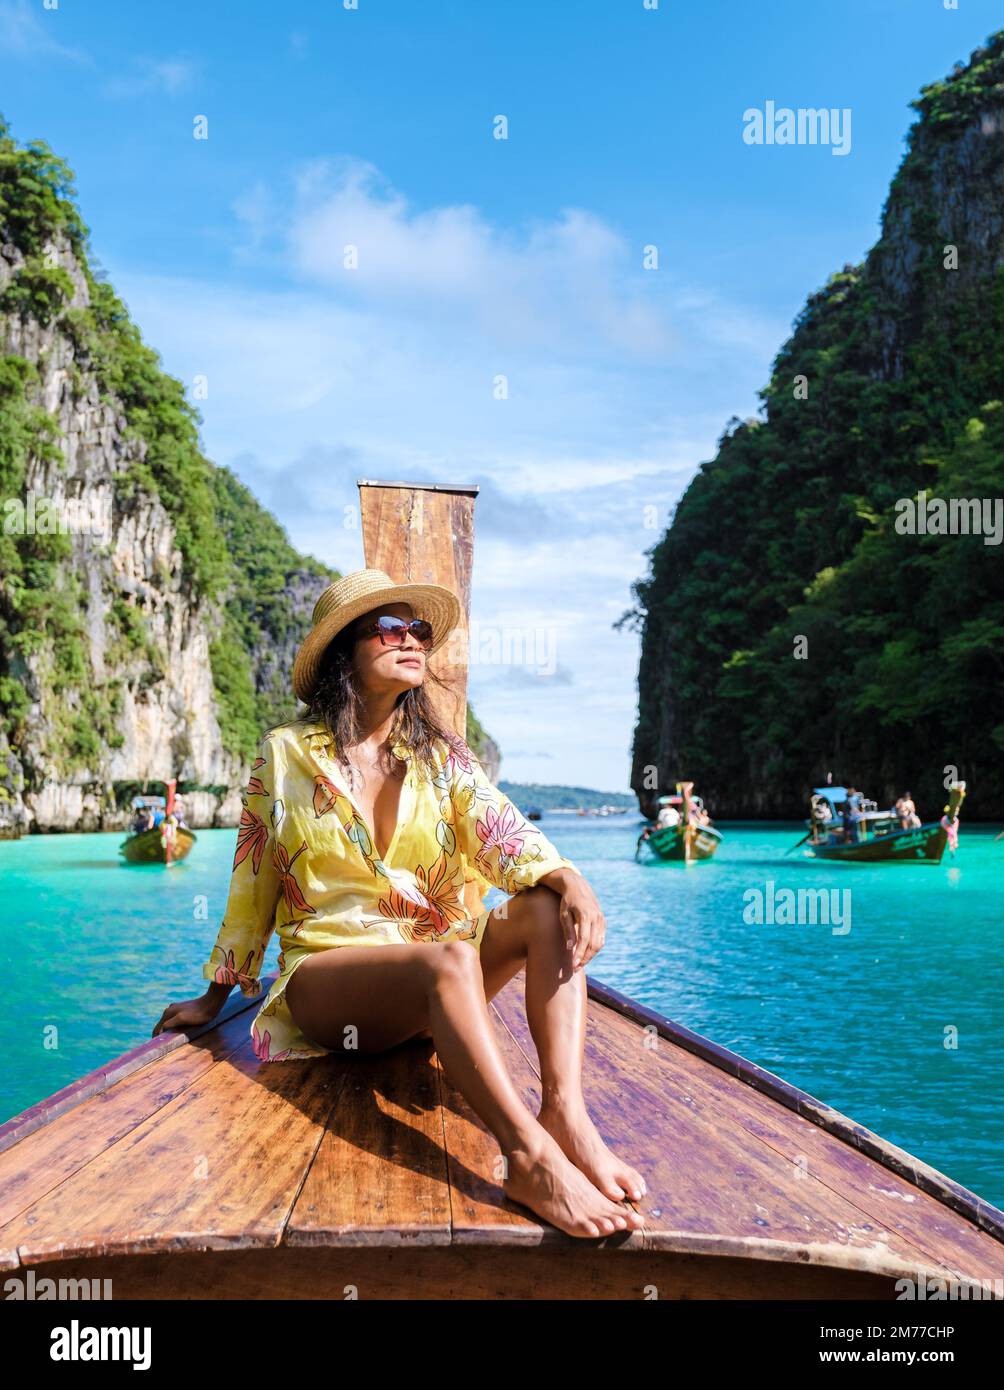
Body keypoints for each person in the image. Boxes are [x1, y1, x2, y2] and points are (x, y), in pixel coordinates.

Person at [154, 568, 645, 1241]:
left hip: (426, 991)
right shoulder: (288, 755)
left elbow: (505, 832)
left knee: (538, 905)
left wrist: (569, 877)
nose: (412, 639)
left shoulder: (440, 758)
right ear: (344, 651)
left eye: (419, 630)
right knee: (444, 960)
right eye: (390, 628)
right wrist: (213, 1001)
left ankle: (565, 1113)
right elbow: (253, 883)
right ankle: (528, 1158)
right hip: (330, 984)